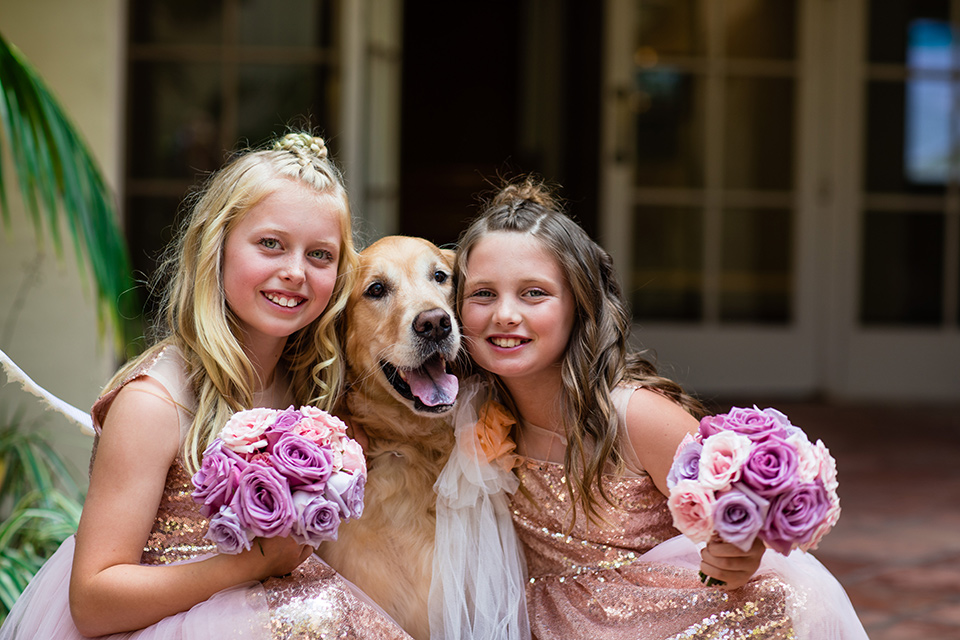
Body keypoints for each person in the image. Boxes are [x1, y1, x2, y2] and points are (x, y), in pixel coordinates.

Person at [0, 132, 411, 639]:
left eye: (320, 256)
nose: (294, 272)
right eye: (270, 244)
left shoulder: (311, 387)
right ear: (216, 244)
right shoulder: (155, 402)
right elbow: (92, 600)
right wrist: (249, 565)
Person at [452, 178, 869, 639]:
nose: (505, 314)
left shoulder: (634, 416)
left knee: (775, 602)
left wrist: (737, 555)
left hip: (657, 617)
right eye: (483, 294)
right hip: (543, 622)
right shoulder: (470, 413)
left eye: (534, 293)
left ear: (580, 305)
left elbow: (742, 526)